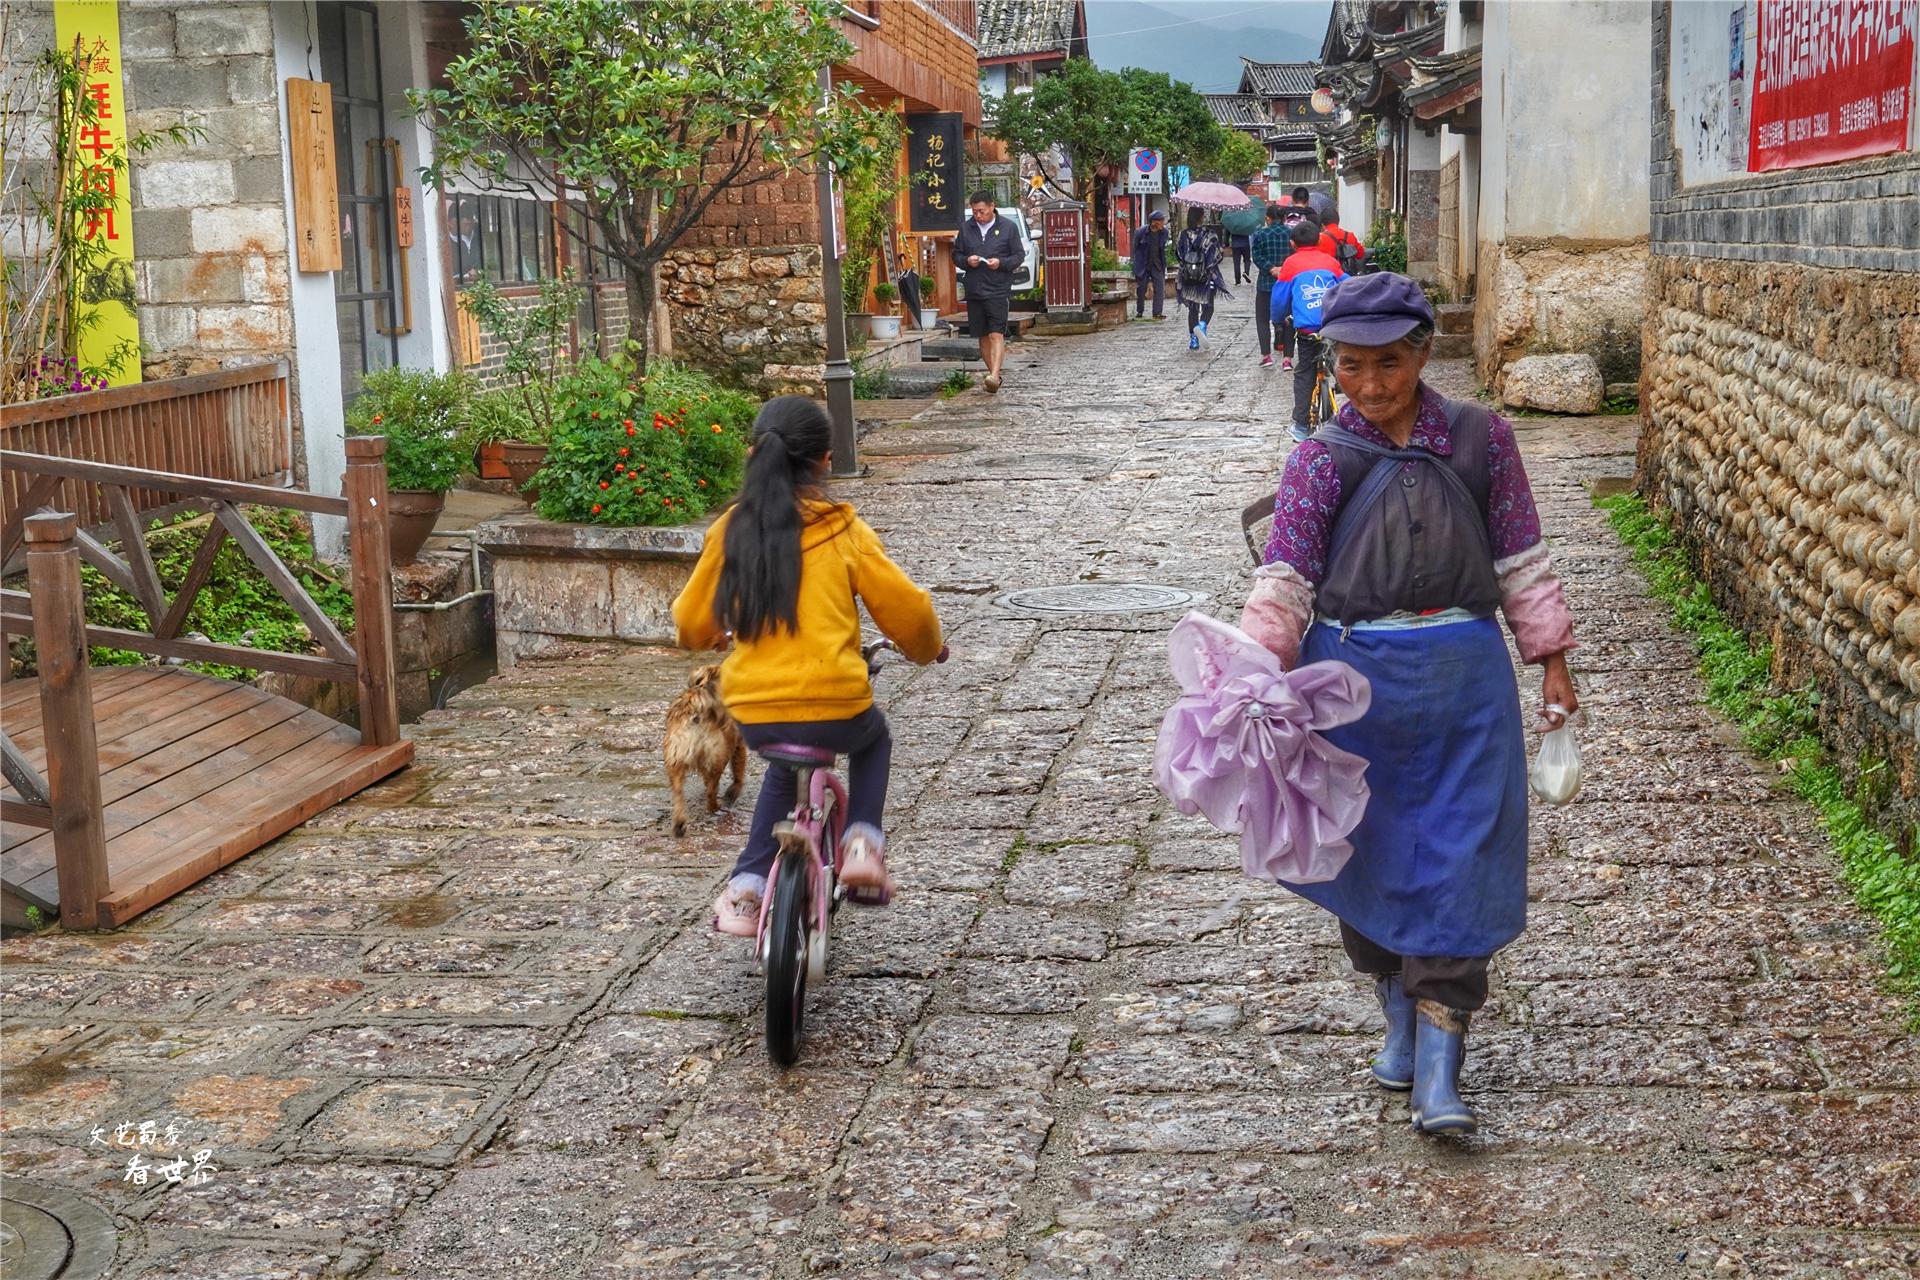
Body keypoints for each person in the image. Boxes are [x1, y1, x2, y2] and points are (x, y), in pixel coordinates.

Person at [1239, 272, 1579, 1137]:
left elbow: (1521, 558)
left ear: (1424, 355)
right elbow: (1285, 581)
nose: (1370, 384)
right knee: (1372, 861)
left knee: (1463, 863)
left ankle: (1440, 1073)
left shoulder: (1481, 440)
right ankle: (1398, 1015)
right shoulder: (1322, 457)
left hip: (1468, 686)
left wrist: (1551, 660)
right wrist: (1249, 677)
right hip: (1355, 695)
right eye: (1350, 365)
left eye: (1388, 363)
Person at [672, 397, 947, 937]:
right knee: (874, 739)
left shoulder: (731, 529)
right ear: (824, 460)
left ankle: (748, 888)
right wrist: (926, 649)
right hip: (837, 702)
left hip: (755, 709)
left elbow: (690, 622)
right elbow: (908, 611)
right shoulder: (842, 529)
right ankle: (862, 841)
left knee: (781, 766)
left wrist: (711, 633)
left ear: (753, 452)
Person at [1270, 222, 1346, 441]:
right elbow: (1346, 284)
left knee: (1305, 373)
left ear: (1292, 244)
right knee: (1344, 366)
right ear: (1320, 240)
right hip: (1333, 327)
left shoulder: (1291, 264)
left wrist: (1277, 319)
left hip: (1306, 332)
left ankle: (1302, 426)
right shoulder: (1330, 262)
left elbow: (1279, 299)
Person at [950, 191, 1025, 392]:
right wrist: (967, 261)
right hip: (975, 288)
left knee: (996, 333)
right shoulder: (966, 229)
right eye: (974, 212)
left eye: (981, 211)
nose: (978, 216)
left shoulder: (1008, 227)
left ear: (992, 206)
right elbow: (956, 254)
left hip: (998, 288)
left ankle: (994, 375)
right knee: (982, 335)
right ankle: (993, 376)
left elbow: (1018, 255)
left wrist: (1001, 263)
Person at [1174, 208, 1229, 350]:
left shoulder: (1183, 234)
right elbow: (1217, 257)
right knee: (1208, 307)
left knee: (1193, 309)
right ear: (1201, 217)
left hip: (1187, 277)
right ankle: (1202, 326)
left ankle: (1194, 340)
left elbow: (1178, 254)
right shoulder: (1210, 235)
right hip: (1206, 277)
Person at [1250, 202, 1293, 369]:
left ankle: (1267, 356)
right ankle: (1287, 359)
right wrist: (1283, 268)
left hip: (1266, 283)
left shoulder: (1261, 235)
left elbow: (1256, 256)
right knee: (1289, 319)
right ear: (1283, 218)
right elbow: (1295, 255)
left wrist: (1271, 268)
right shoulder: (1291, 235)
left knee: (1262, 319)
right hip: (1287, 283)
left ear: (1268, 218)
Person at [1131, 209, 1169, 320]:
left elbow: (1162, 248)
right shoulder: (1140, 232)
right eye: (1161, 221)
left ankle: (1157, 313)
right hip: (1143, 264)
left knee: (1160, 289)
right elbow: (1135, 248)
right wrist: (1135, 263)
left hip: (1157, 264)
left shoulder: (1164, 232)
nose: (1163, 223)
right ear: (1154, 222)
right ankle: (1139, 311)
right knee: (1141, 289)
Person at [1322, 207, 1367, 274]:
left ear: (1322, 224)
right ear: (1338, 221)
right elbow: (1360, 254)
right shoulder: (1350, 236)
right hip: (1348, 277)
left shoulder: (1320, 238)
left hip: (1329, 276)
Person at [1229, 220, 1253, 285]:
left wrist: (1226, 243)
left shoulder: (1232, 222)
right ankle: (1246, 272)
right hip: (1245, 243)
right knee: (1247, 260)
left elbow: (1227, 232)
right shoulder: (1245, 220)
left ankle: (1237, 280)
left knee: (1236, 262)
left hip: (1235, 244)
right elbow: (1250, 231)